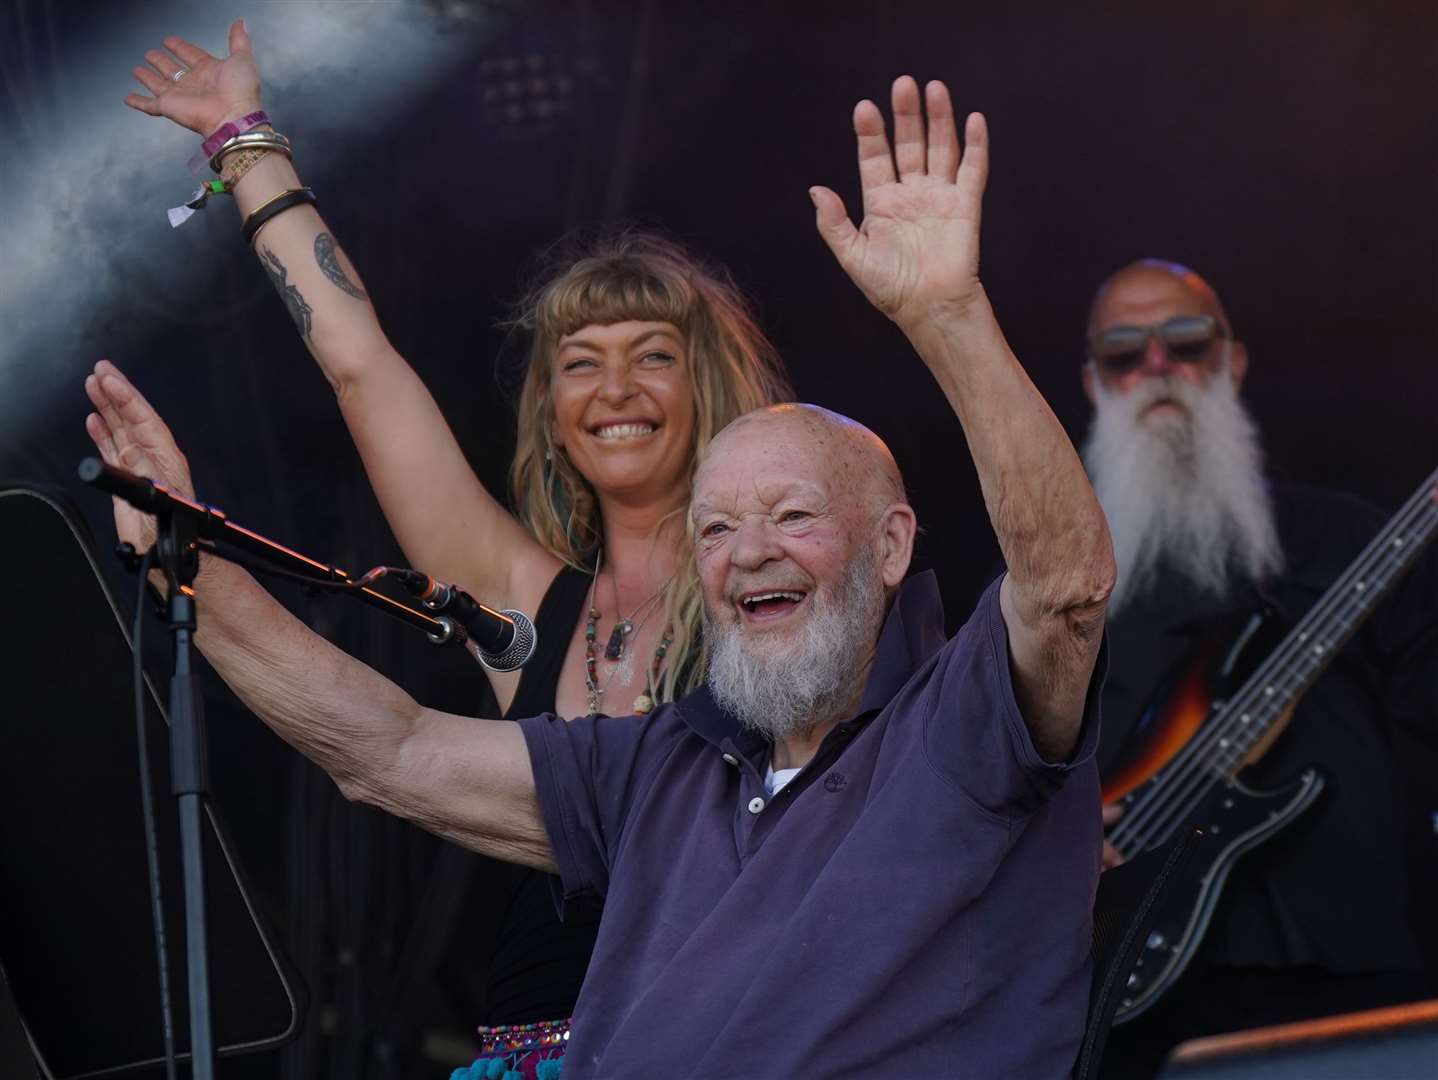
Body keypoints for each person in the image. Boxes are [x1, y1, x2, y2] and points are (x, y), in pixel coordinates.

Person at [86, 76, 1116, 1075]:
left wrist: (947, 318)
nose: (749, 547)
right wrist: (186, 559)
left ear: (889, 546)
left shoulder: (955, 720)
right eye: (719, 529)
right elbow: (388, 749)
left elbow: (1063, 585)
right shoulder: (655, 752)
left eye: (791, 516)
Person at [123, 20, 791, 1037]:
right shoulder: (521, 593)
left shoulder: (779, 585)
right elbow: (359, 365)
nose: (614, 388)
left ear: (701, 387)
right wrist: (244, 141)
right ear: (554, 418)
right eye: (579, 362)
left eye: (650, 354)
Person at [1079, 259, 1438, 1076]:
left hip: (1347, 962)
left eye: (1185, 342)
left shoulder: (1345, 536)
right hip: (1136, 981)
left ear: (1231, 361)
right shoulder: (1056, 579)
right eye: (1124, 353)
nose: (1157, 368)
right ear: (1094, 383)